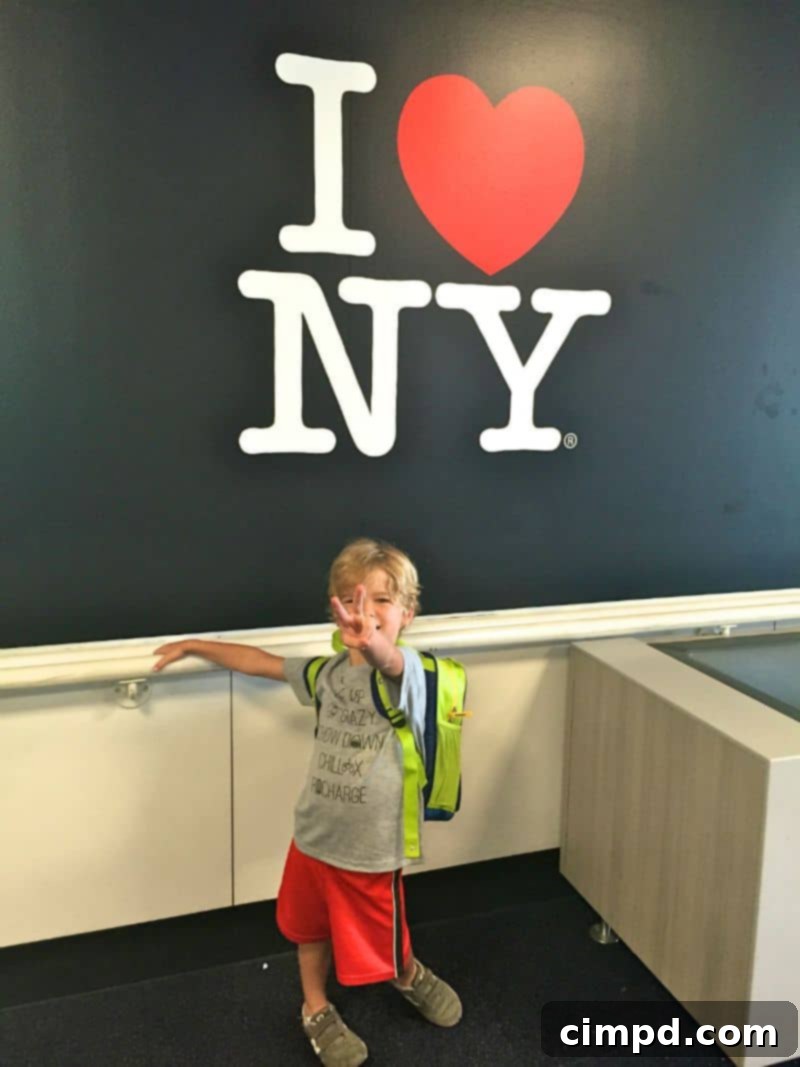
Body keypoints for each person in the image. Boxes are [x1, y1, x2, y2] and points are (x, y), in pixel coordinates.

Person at [152, 538, 461, 1067]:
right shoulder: (326, 675)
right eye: (350, 598)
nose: (364, 609)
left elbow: (388, 662)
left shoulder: (409, 675)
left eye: (382, 600)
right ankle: (315, 1007)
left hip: (371, 848)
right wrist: (198, 645)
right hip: (314, 838)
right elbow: (260, 662)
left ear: (407, 615)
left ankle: (407, 973)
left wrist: (375, 645)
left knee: (384, 934)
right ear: (335, 611)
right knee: (308, 927)